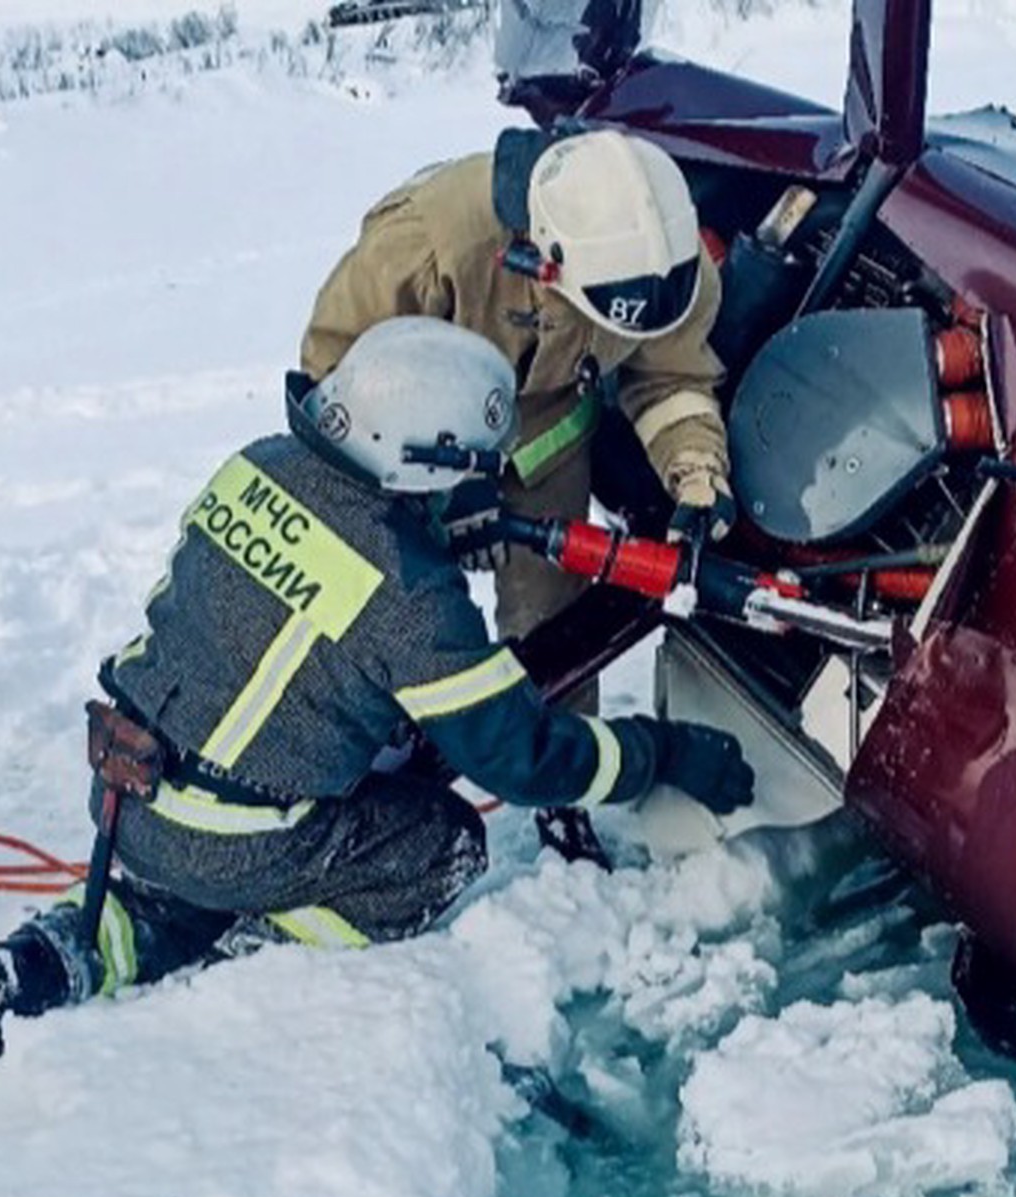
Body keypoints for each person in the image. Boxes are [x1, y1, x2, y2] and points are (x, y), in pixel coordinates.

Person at [0, 318, 753, 1058]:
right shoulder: (410, 599)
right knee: (439, 844)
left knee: (225, 844)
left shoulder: (260, 463)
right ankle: (249, 946)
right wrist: (663, 753)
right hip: (231, 836)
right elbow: (523, 759)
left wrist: (427, 529)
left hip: (128, 790)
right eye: (473, 471)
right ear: (422, 467)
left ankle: (57, 954)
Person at [301, 128, 735, 865]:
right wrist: (449, 481)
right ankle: (355, 765)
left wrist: (696, 474)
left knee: (555, 618)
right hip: (402, 429)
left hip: (544, 429)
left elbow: (670, 376)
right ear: (543, 259)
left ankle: (560, 797)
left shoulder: (667, 264)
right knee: (391, 613)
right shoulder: (432, 241)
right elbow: (334, 374)